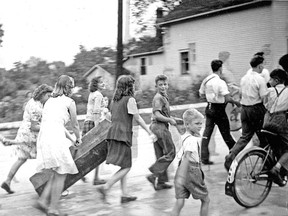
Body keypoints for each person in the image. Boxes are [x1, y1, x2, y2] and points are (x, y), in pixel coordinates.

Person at [97, 75, 156, 204]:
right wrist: (149, 132)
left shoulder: (115, 100)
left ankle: (124, 194)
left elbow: (112, 117)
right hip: (122, 136)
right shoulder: (130, 100)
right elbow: (138, 118)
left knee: (124, 164)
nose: (134, 87)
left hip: (113, 135)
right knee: (127, 167)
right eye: (132, 84)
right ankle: (106, 187)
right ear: (129, 86)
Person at [34, 75, 82, 216]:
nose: (73, 89)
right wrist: (78, 138)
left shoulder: (50, 101)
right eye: (72, 86)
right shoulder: (70, 102)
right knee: (62, 172)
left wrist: (72, 139)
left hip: (45, 138)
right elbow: (75, 124)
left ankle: (43, 201)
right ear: (68, 87)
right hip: (55, 139)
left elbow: (56, 124)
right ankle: (53, 208)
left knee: (57, 171)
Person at [1, 84, 53, 194]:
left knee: (21, 158)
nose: (49, 98)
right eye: (48, 95)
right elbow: (34, 126)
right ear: (43, 94)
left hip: (24, 133)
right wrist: (49, 126)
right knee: (47, 157)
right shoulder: (36, 107)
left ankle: (8, 181)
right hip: (31, 136)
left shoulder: (33, 101)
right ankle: (48, 185)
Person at [224, 55, 268, 171]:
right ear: (260, 65)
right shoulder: (260, 79)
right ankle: (265, 164)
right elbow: (264, 97)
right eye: (263, 64)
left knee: (245, 136)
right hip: (257, 109)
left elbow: (241, 93)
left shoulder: (244, 78)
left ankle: (231, 155)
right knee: (264, 138)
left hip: (245, 109)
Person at [199, 60, 240, 165]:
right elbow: (227, 98)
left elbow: (201, 95)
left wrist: (211, 98)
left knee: (206, 134)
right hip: (219, 110)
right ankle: (235, 154)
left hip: (209, 108)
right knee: (226, 135)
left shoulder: (206, 80)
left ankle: (204, 158)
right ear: (220, 68)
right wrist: (236, 102)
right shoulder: (220, 82)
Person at [171, 108, 209, 216]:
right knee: (206, 200)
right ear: (187, 125)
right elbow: (187, 157)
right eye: (197, 123)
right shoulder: (191, 140)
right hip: (191, 170)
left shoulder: (184, 136)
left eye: (201, 123)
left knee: (180, 201)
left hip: (180, 170)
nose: (200, 126)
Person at [146, 74, 181, 191]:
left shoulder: (163, 97)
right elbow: (157, 114)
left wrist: (174, 119)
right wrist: (169, 120)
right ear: (156, 86)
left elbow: (164, 114)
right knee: (171, 153)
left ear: (168, 85)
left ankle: (161, 182)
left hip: (156, 127)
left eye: (165, 84)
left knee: (160, 155)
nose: (163, 87)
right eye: (160, 85)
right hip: (160, 128)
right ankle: (153, 175)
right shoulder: (158, 98)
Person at [263, 68, 288, 186]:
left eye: (271, 79)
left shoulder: (269, 91)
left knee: (275, 146)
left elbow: (266, 105)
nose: (269, 81)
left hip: (267, 121)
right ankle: (276, 169)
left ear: (277, 80)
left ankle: (276, 170)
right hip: (280, 121)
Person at [81, 76, 108, 185]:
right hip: (94, 123)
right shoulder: (98, 95)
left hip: (88, 122)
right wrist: (97, 129)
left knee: (85, 152)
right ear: (95, 85)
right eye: (100, 82)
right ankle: (95, 178)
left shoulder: (93, 94)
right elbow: (96, 112)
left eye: (103, 81)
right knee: (99, 152)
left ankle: (81, 173)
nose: (103, 83)